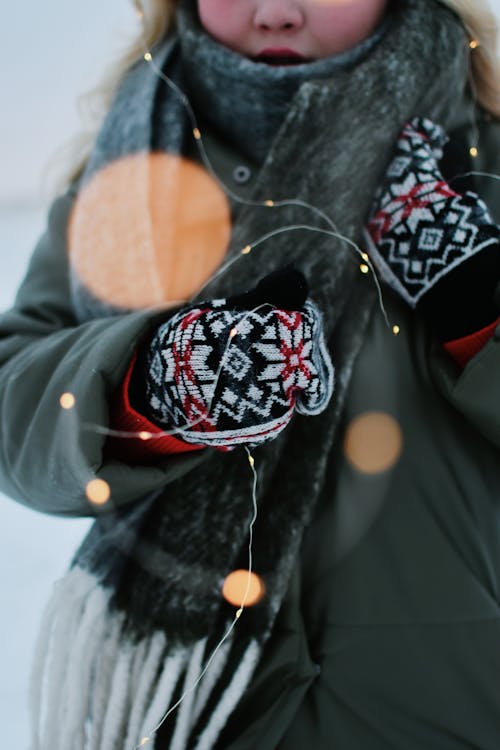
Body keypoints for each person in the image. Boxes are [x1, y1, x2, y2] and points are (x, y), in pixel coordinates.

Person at [1, 0, 500, 747]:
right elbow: (16, 403)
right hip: (189, 718)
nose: (276, 12)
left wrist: (476, 303)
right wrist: (154, 390)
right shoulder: (123, 175)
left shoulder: (483, 166)